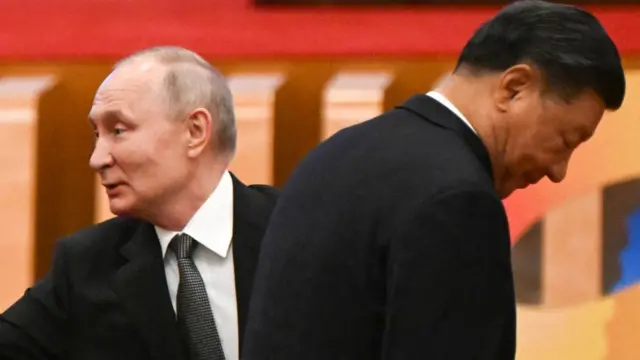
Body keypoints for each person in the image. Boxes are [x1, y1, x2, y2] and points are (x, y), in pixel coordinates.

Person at [242, 1, 625, 359]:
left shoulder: (337, 152)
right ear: (514, 88)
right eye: (565, 140)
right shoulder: (458, 201)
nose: (559, 171)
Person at [0, 46, 278, 360]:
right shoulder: (86, 264)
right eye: (97, 134)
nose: (97, 159)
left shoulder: (300, 234)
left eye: (118, 131)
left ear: (195, 131)